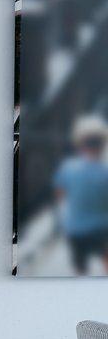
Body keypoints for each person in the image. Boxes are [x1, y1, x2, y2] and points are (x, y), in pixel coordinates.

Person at [55, 114, 108, 274]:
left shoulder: (67, 167)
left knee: (80, 269)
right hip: (102, 227)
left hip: (76, 228)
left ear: (81, 146)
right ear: (102, 146)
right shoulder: (105, 171)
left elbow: (60, 195)